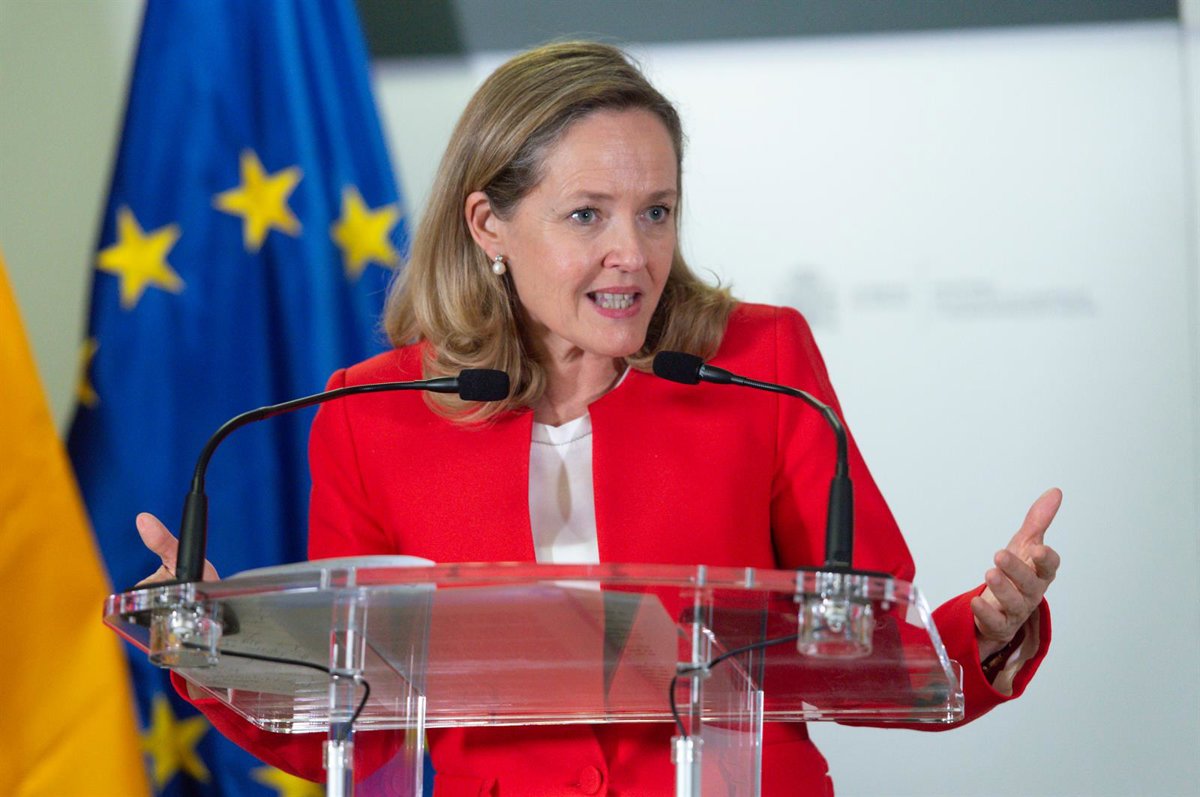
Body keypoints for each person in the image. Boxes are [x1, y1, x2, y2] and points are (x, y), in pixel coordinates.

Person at [137, 40, 1061, 796]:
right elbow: (353, 718)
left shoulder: (761, 364)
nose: (634, 253)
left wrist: (986, 627)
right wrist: (214, 646)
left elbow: (864, 645)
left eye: (656, 212)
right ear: (489, 224)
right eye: (587, 215)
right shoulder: (372, 414)